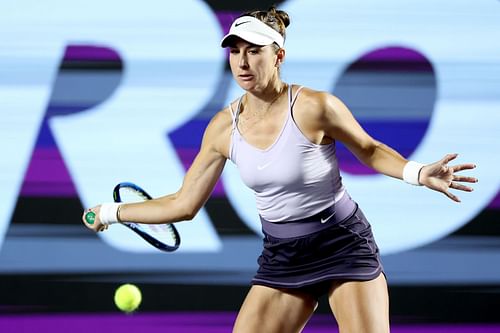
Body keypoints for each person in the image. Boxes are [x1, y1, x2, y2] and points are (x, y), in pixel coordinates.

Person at [82, 7, 477, 333]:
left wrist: (418, 172)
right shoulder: (223, 127)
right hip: (283, 255)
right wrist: (110, 213)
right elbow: (183, 205)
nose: (242, 61)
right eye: (235, 51)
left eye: (254, 50)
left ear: (278, 56)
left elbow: (369, 150)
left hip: (342, 243)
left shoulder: (315, 106)